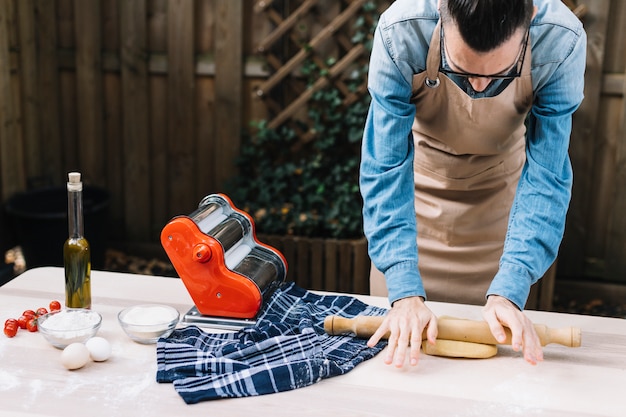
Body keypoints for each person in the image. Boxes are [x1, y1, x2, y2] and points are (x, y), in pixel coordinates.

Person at [360, 0, 586, 367]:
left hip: (504, 216)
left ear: (529, 19)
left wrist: (511, 288)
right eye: (460, 70)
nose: (479, 87)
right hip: (413, 213)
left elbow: (548, 172)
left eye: (502, 73)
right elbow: (385, 167)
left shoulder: (561, 40)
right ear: (440, 8)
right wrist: (402, 290)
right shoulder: (401, 32)